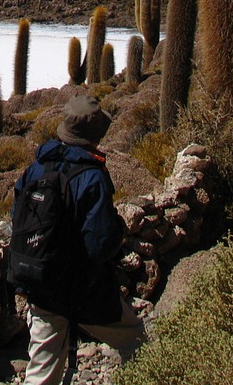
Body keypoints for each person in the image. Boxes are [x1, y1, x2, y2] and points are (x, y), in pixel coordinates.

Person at [13, 94, 145, 385]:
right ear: (94, 136)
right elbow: (99, 246)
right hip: (81, 290)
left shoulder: (36, 168)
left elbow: (18, 219)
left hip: (39, 284)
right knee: (135, 340)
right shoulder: (91, 176)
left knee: (41, 370)